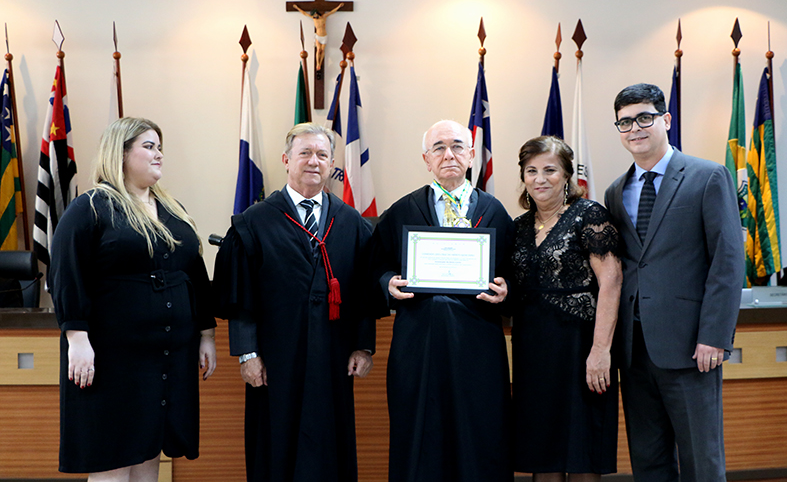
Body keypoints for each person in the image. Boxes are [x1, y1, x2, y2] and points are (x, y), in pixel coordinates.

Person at [49, 117, 217, 481]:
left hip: (166, 358)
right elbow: (65, 273)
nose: (158, 154)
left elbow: (195, 274)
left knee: (147, 456)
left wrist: (206, 334)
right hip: (112, 359)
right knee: (113, 456)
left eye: (160, 147)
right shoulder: (91, 208)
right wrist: (76, 336)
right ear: (121, 153)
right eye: (148, 146)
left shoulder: (173, 210)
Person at [214, 122, 375, 482]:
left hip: (333, 355)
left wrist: (363, 347)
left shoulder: (351, 224)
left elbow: (364, 294)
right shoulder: (254, 223)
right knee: (275, 440)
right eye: (305, 153)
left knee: (329, 441)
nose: (313, 161)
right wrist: (248, 353)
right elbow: (241, 297)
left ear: (332, 163)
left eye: (321, 154)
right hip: (275, 358)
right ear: (287, 160)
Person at [604, 83, 744, 482]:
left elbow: (727, 262)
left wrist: (715, 335)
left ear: (665, 120)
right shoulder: (616, 191)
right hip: (633, 350)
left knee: (701, 461)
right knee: (648, 461)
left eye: (645, 118)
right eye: (626, 122)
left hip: (691, 347)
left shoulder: (708, 176)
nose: (635, 128)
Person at [370, 119, 513, 482]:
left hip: (477, 343)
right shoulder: (402, 211)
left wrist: (506, 288)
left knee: (479, 428)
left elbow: (517, 268)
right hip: (418, 343)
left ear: (470, 156)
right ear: (426, 159)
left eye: (456, 146)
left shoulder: (495, 211)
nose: (448, 154)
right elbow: (374, 266)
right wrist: (388, 283)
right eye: (438, 148)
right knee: (420, 428)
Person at [510, 136, 622, 481]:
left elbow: (612, 281)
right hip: (533, 351)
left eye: (549, 170)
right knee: (543, 451)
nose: (540, 178)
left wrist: (601, 350)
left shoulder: (589, 215)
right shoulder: (518, 227)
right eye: (531, 171)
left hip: (580, 349)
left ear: (567, 174)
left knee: (582, 450)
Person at [293, 3, 344, 71]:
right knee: (319, 49)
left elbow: (332, 12)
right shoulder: (314, 19)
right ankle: (318, 63)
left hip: (324, 36)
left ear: (317, 13)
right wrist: (297, 8)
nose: (314, 16)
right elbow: (304, 13)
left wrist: (339, 7)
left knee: (322, 50)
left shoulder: (324, 17)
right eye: (313, 15)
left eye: (314, 15)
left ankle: (320, 62)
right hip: (318, 36)